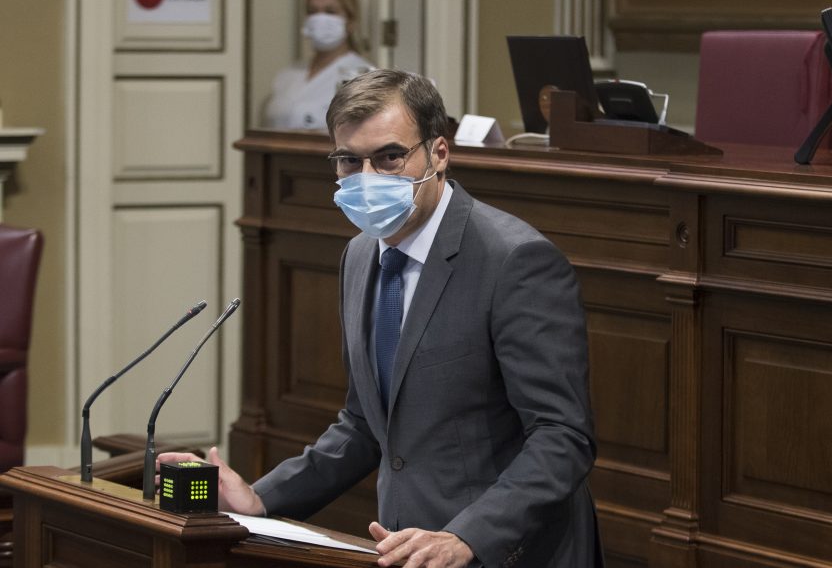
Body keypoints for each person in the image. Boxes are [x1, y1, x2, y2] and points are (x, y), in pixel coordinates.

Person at [161, 69, 602, 568]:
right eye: (350, 160)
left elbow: (563, 437)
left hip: (509, 553)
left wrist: (469, 537)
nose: (368, 178)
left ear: (438, 153)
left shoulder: (514, 261)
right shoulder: (359, 255)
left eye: (390, 157)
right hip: (405, 548)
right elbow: (367, 424)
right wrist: (261, 501)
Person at [263, 0, 373, 130]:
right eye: (312, 11)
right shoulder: (288, 74)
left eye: (330, 11)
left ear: (350, 22)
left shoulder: (363, 76)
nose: (320, 19)